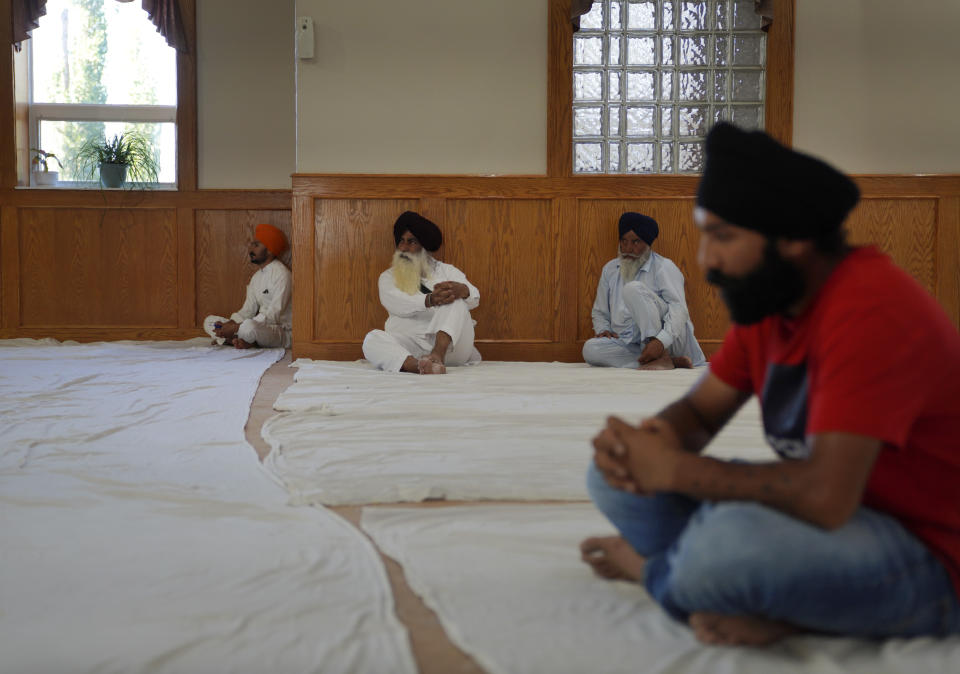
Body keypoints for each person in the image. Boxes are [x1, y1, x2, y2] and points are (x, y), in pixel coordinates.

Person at [581, 122, 960, 646]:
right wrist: (649, 444)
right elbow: (697, 415)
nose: (706, 259)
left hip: (930, 551)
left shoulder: (870, 311)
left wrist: (676, 471)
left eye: (724, 237)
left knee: (725, 547)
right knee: (612, 478)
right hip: (837, 519)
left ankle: (664, 575)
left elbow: (826, 496)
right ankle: (759, 593)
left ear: (795, 239)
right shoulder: (772, 302)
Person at [582, 212, 705, 370]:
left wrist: (661, 341)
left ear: (648, 244)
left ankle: (662, 354)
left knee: (632, 289)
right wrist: (603, 329)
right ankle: (671, 361)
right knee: (590, 350)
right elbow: (600, 311)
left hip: (670, 340)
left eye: (635, 242)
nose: (628, 249)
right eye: (623, 241)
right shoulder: (610, 270)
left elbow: (679, 310)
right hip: (632, 343)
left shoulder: (664, 267)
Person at [362, 211, 481, 374]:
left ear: (424, 246)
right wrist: (430, 300)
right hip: (411, 348)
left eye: (411, 242)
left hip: (453, 348)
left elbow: (474, 299)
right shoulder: (388, 277)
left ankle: (437, 355)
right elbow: (398, 304)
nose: (404, 248)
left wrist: (462, 290)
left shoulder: (447, 271)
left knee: (453, 297)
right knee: (372, 339)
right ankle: (419, 366)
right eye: (401, 241)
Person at [203, 223, 292, 349]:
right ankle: (239, 339)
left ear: (270, 250)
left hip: (279, 331)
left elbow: (274, 315)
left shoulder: (283, 275)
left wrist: (236, 328)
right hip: (255, 326)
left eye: (256, 245)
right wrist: (230, 324)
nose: (251, 249)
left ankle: (235, 338)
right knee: (209, 321)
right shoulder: (256, 277)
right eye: (251, 244)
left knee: (249, 327)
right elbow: (248, 310)